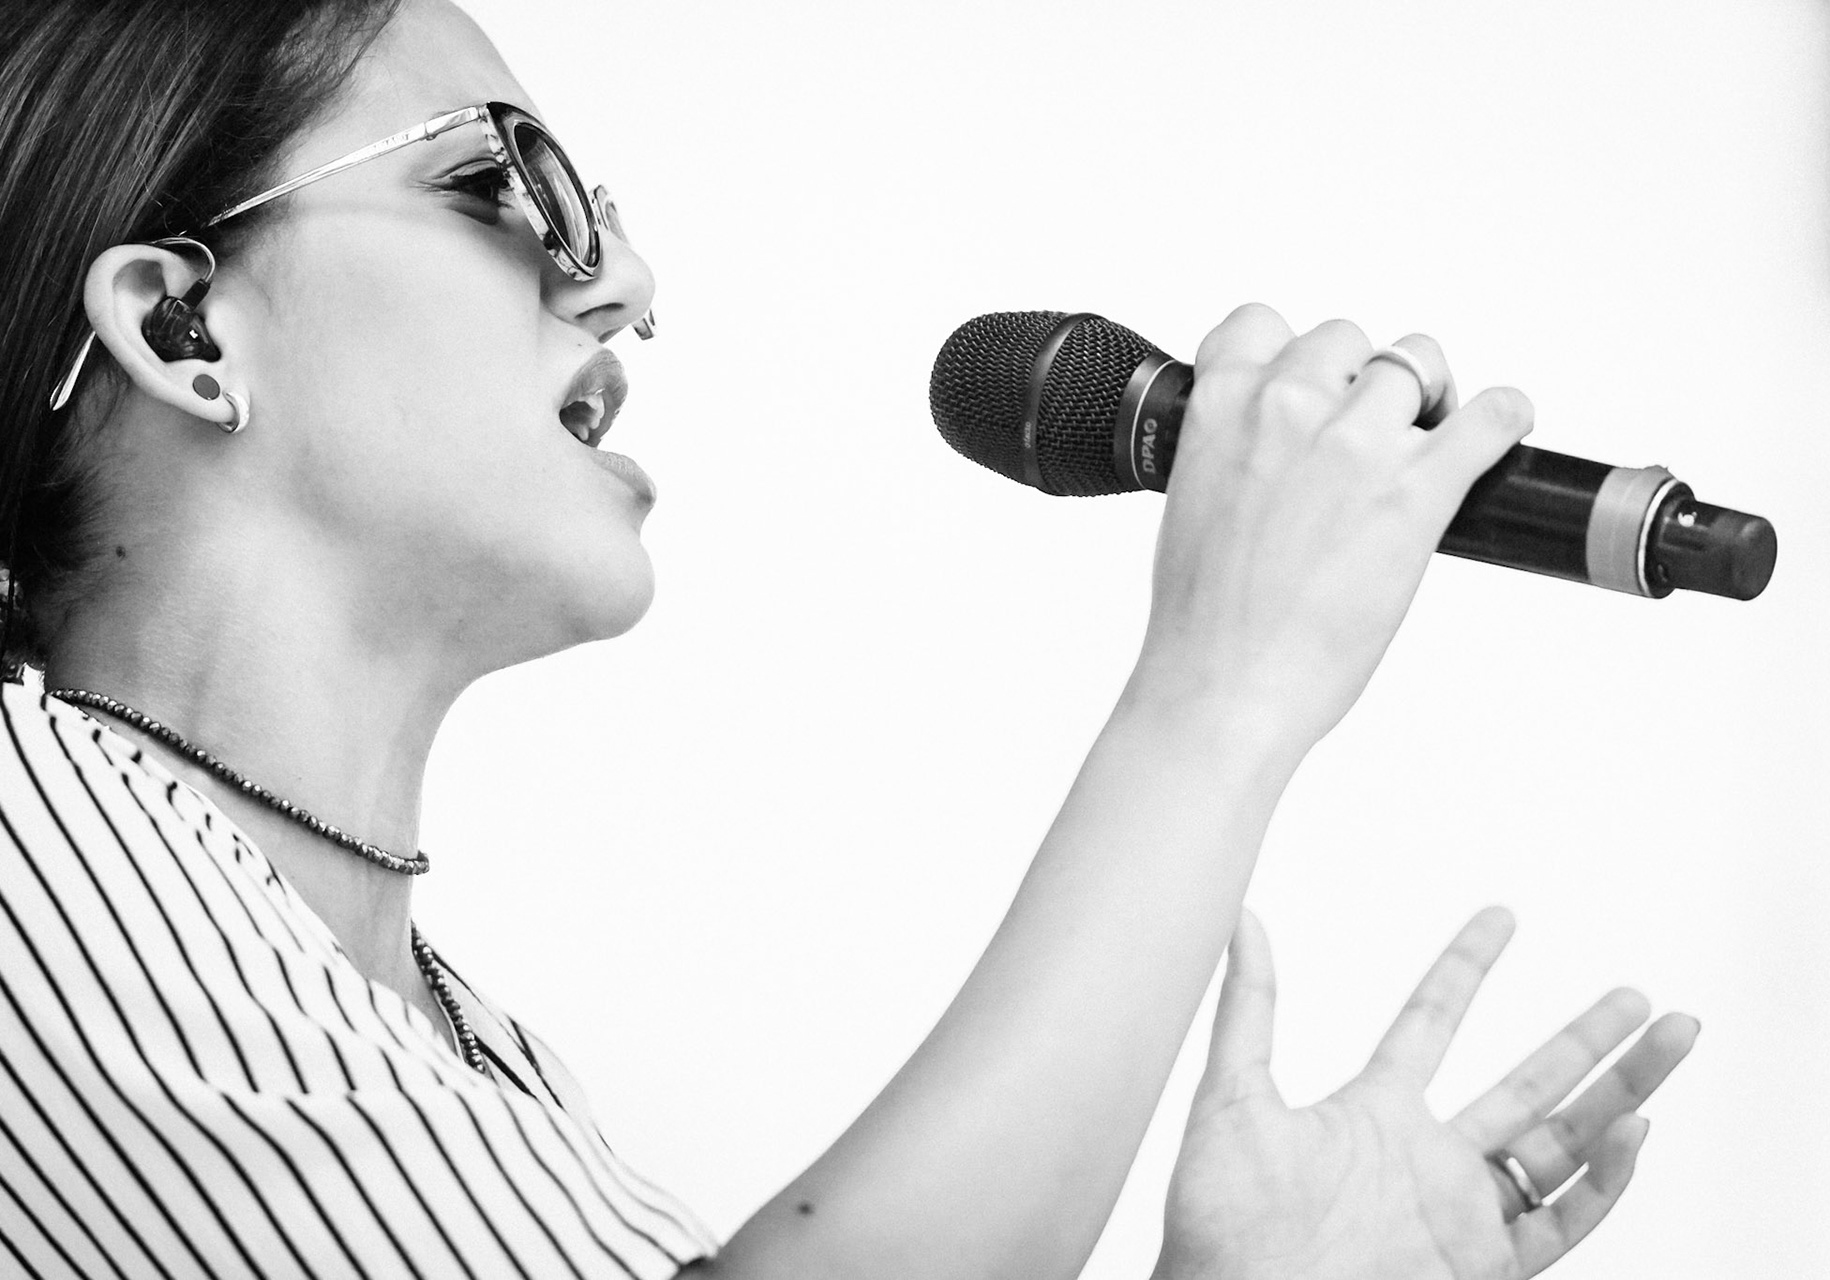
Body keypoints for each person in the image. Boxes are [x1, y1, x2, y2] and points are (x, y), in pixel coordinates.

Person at [0, 1, 1699, 1277]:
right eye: (510, 182)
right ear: (182, 324)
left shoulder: (469, 1059)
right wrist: (1223, 690)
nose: (629, 281)